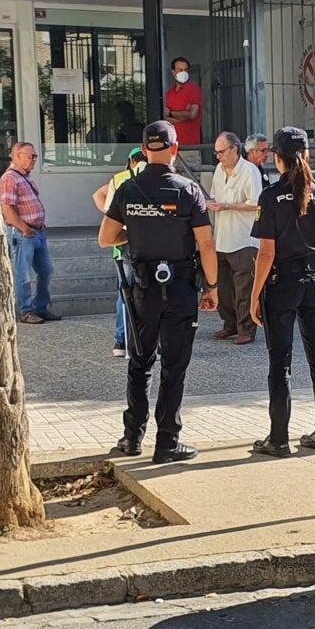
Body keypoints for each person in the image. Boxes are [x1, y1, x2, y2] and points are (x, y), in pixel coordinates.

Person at [98, 121, 220, 464]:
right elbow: (206, 245)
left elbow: (106, 238)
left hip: (143, 288)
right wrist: (212, 287)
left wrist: (134, 238)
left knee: (140, 362)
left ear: (143, 148)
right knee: (174, 366)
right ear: (175, 148)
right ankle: (166, 442)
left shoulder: (127, 189)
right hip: (181, 287)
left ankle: (131, 437)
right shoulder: (188, 190)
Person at [249, 126, 315, 457]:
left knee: (280, 362)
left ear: (277, 157)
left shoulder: (271, 197)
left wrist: (254, 295)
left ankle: (278, 439)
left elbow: (266, 253)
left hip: (282, 286)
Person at [208, 131, 264, 345]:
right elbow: (215, 195)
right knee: (223, 286)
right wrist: (210, 203)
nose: (218, 156)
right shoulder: (218, 170)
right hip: (222, 237)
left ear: (234, 149)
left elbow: (256, 203)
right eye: (216, 152)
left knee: (244, 288)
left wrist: (228, 206)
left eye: (222, 152)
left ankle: (247, 329)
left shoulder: (250, 171)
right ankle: (229, 323)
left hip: (244, 238)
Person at [92, 147, 147, 356]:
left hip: (123, 243)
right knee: (149, 293)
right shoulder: (157, 175)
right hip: (151, 244)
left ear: (131, 161)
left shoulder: (119, 179)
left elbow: (104, 204)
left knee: (125, 292)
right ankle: (146, 340)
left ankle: (121, 342)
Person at [0, 142, 60, 324]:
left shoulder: (24, 177)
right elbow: (7, 209)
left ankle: (41, 307)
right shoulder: (10, 178)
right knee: (23, 274)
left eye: (35, 156)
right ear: (17, 156)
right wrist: (24, 228)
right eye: (30, 156)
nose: (34, 160)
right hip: (23, 233)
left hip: (37, 232)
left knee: (46, 270)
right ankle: (26, 311)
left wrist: (39, 224)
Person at [164, 57, 203, 169]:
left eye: (185, 70)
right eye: (180, 70)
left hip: (190, 148)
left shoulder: (194, 90)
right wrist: (183, 115)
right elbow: (165, 119)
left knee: (191, 183)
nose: (183, 73)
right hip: (172, 149)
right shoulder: (169, 94)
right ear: (173, 72)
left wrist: (171, 113)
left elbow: (192, 114)